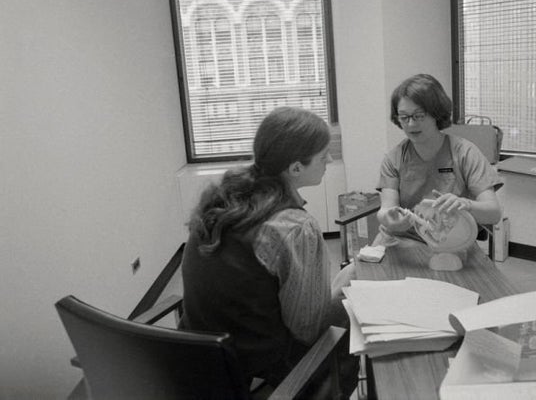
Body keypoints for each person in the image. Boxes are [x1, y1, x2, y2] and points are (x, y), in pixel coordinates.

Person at [179, 106, 356, 397]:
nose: (330, 160)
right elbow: (308, 330)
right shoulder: (295, 227)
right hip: (258, 369)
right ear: (296, 167)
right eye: (324, 156)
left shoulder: (222, 196)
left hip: (196, 360)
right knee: (355, 314)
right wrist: (350, 278)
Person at [375, 73, 503, 245]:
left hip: (448, 244)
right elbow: (386, 209)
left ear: (436, 113)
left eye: (419, 116)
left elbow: (494, 213)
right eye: (404, 117)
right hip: (400, 240)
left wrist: (465, 204)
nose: (411, 124)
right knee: (351, 273)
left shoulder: (464, 153)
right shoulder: (394, 158)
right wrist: (390, 219)